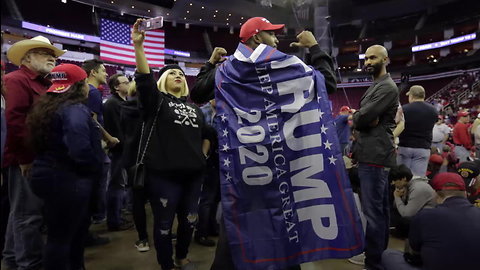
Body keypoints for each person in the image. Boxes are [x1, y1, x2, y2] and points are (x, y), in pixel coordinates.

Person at [191, 17, 339, 270]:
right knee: (281, 223)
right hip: (281, 164)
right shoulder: (284, 66)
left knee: (239, 224)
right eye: (271, 34)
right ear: (257, 38)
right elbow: (328, 83)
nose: (276, 39)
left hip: (246, 165)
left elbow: (197, 93)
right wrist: (314, 48)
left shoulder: (229, 69)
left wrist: (211, 64)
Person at [133, 19, 210, 270]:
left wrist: (203, 155)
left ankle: (183, 256)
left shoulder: (194, 109)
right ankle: (166, 263)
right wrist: (139, 47)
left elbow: (209, 132)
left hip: (194, 175)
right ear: (163, 80)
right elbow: (144, 81)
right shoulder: (156, 102)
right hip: (163, 176)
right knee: (164, 224)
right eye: (171, 74)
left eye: (180, 73)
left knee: (189, 221)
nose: (177, 75)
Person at [27, 63, 103, 270]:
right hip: (69, 180)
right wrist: (94, 167)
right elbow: (79, 149)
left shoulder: (45, 107)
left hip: (48, 176)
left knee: (61, 235)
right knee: (65, 239)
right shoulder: (75, 109)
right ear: (81, 85)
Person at [3, 35, 65, 270]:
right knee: (29, 216)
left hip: (39, 157)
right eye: (45, 53)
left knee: (21, 214)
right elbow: (15, 121)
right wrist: (25, 158)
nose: (51, 58)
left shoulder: (43, 83)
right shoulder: (16, 79)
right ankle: (30, 265)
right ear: (27, 57)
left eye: (52, 55)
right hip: (28, 158)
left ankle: (12, 260)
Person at [350, 45, 399, 269]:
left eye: (373, 58)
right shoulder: (377, 85)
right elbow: (364, 118)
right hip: (373, 154)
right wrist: (363, 117)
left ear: (385, 59)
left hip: (375, 156)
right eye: (366, 58)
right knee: (379, 210)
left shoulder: (387, 87)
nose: (368, 62)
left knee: (373, 212)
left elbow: (362, 118)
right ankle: (379, 255)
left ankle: (373, 261)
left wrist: (360, 117)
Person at [382, 172, 480, 270]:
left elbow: (414, 254)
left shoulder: (426, 216)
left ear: (435, 194)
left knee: (388, 255)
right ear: (465, 194)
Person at [103, 74, 133, 231]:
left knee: (120, 185)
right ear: (116, 87)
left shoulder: (122, 102)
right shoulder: (112, 104)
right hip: (119, 151)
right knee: (116, 185)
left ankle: (118, 216)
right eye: (125, 83)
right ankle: (114, 221)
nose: (129, 85)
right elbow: (116, 130)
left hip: (124, 151)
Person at [195, 100, 220, 247]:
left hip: (219, 159)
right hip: (207, 159)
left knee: (215, 197)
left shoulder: (223, 112)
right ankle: (201, 232)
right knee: (206, 199)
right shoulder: (201, 112)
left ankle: (211, 226)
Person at [398, 85, 438, 177]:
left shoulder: (404, 109)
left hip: (405, 146)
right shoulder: (433, 110)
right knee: (418, 178)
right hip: (423, 147)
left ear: (411, 96)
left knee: (402, 177)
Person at [389, 164, 436, 238]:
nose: (393, 183)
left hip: (427, 220)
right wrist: (400, 197)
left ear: (403, 178)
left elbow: (406, 214)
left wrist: (397, 197)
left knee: (403, 222)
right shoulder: (407, 185)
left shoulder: (418, 188)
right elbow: (396, 207)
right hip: (419, 215)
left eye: (395, 180)